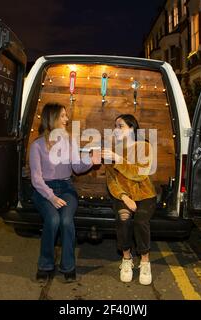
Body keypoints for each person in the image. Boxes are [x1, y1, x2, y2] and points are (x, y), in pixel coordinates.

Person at [29, 102, 98, 282]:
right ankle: (45, 265)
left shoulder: (69, 141)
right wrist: (51, 197)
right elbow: (36, 179)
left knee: (66, 221)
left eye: (66, 116)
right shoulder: (37, 146)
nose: (66, 119)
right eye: (62, 116)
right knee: (52, 220)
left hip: (67, 188)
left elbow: (77, 167)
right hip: (44, 191)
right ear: (52, 119)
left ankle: (68, 266)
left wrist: (91, 160)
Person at [101, 114, 157, 285]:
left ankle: (145, 261)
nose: (116, 130)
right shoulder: (113, 150)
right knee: (124, 218)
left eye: (120, 126)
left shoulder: (145, 147)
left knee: (140, 220)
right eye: (115, 126)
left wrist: (119, 159)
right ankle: (126, 258)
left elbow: (140, 174)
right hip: (123, 197)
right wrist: (124, 197)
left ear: (132, 128)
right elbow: (111, 181)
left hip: (145, 195)